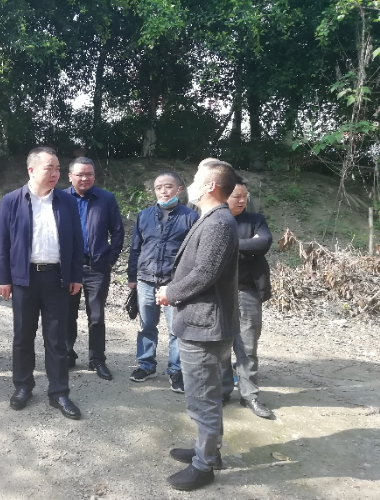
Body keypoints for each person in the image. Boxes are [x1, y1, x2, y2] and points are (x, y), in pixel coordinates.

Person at [155, 160, 240, 491]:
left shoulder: (218, 222)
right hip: (203, 322)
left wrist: (170, 293)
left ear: (210, 186)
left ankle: (204, 466)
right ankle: (209, 451)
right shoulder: (213, 218)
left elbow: (205, 273)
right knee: (206, 395)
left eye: (195, 179)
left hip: (204, 326)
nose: (190, 183)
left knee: (203, 398)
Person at [0, 147, 84, 420]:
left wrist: (76, 276)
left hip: (57, 278)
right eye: (50, 168)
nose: (55, 173)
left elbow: (77, 241)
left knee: (57, 339)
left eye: (58, 168)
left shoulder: (67, 201)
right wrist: (4, 278)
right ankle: (23, 386)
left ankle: (59, 392)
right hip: (24, 278)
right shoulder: (12, 201)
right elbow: (3, 243)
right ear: (32, 170)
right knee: (23, 336)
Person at [126, 172, 198, 392]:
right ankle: (146, 365)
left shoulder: (191, 217)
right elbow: (136, 248)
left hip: (174, 283)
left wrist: (187, 282)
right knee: (146, 325)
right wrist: (132, 277)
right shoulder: (144, 215)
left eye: (168, 186)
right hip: (146, 280)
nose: (163, 191)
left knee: (176, 329)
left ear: (179, 190)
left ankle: (176, 371)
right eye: (159, 187)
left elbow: (193, 253)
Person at [65, 157, 124, 380]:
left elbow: (117, 231)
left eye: (89, 174)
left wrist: (110, 259)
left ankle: (97, 359)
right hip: (69, 267)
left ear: (94, 176)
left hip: (97, 267)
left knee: (96, 316)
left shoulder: (106, 199)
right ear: (70, 176)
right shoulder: (60, 198)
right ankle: (67, 355)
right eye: (80, 174)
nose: (85, 178)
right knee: (67, 314)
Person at [221, 178, 274, 418]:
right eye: (237, 196)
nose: (242, 201)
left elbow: (264, 242)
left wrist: (230, 244)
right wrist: (247, 245)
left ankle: (249, 395)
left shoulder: (255, 220)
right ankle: (223, 390)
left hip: (248, 291)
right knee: (220, 343)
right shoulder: (216, 220)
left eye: (245, 196)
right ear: (225, 196)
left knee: (248, 346)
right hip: (219, 292)